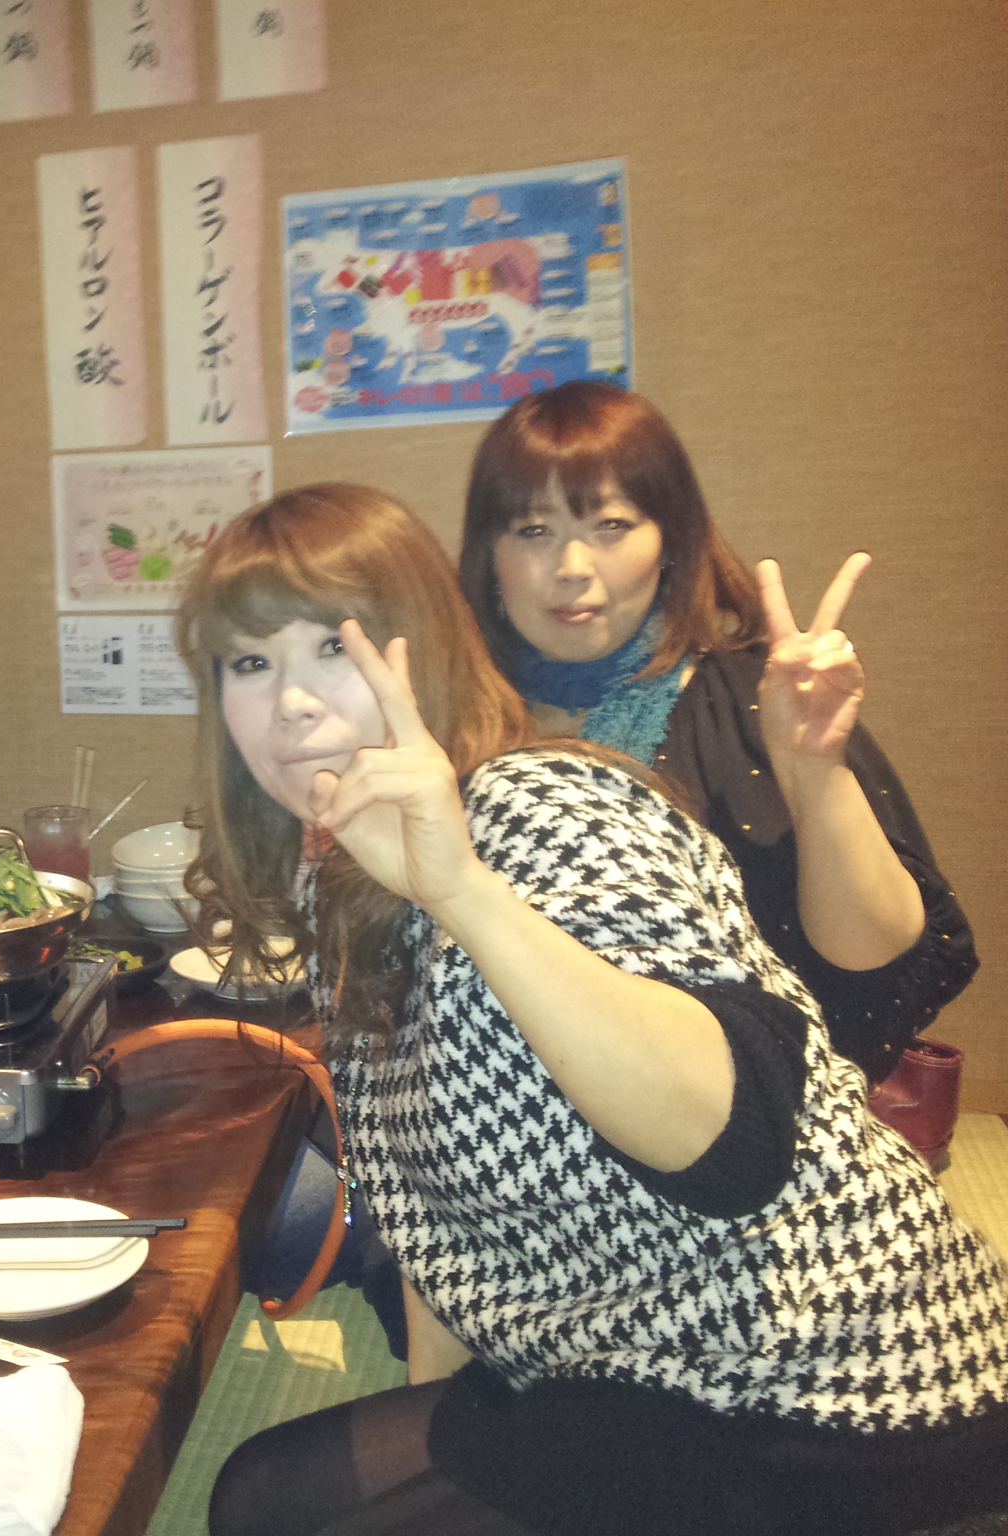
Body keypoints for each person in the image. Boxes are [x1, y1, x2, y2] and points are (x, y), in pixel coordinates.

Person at [184, 486, 1008, 1536]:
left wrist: (463, 894)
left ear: (422, 649)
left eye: (331, 649)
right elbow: (435, 1227)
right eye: (249, 664)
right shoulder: (340, 880)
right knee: (266, 1491)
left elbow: (738, 1140)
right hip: (619, 1360)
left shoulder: (543, 804)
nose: (291, 703)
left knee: (267, 1505)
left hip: (824, 1374)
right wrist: (431, 1417)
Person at [457, 382, 974, 1082]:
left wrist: (813, 767)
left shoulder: (752, 701)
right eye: (533, 530)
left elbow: (875, 963)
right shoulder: (454, 718)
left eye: (610, 526)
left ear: (670, 541)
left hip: (727, 1114)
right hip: (491, 1111)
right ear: (490, 554)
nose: (572, 568)